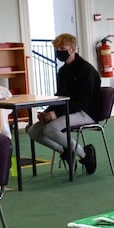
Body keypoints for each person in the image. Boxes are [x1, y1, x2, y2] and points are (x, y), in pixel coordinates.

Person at [28, 33, 100, 174]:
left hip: (86, 112)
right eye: (57, 48)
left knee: (50, 129)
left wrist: (57, 114)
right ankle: (65, 151)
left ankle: (85, 154)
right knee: (33, 131)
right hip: (70, 110)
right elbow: (60, 96)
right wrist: (48, 112)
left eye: (62, 48)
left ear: (72, 49)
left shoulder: (86, 70)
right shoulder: (63, 71)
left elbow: (82, 102)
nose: (58, 51)